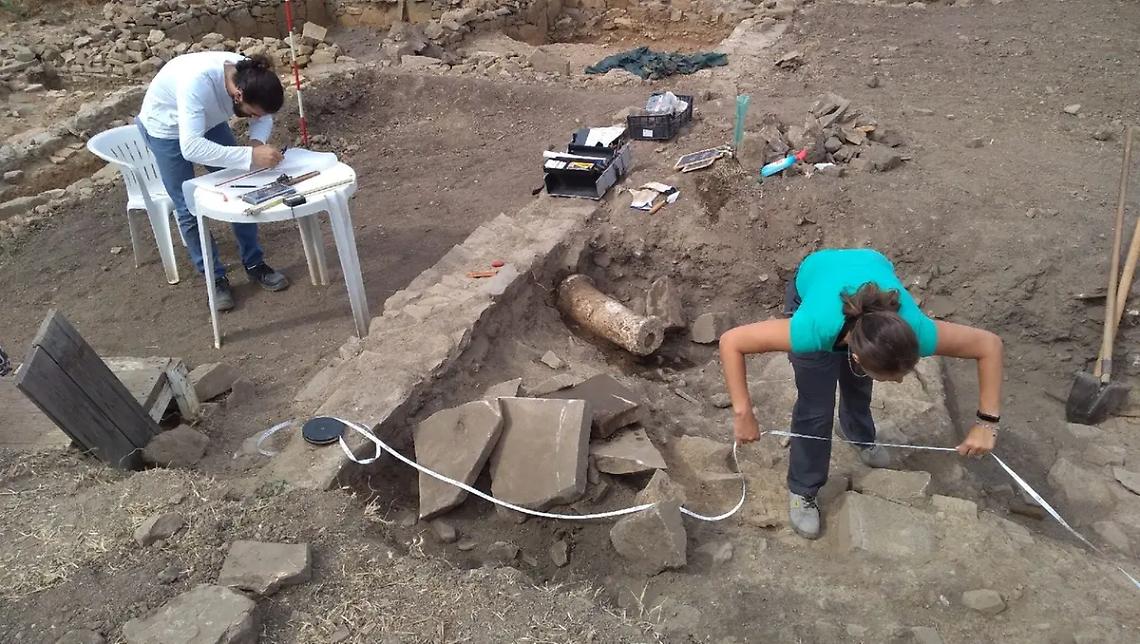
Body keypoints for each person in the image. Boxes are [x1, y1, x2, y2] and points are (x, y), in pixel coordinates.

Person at [719, 248, 1003, 539]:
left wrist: (987, 423)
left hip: (869, 263)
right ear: (854, 355)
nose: (900, 384)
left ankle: (858, 433)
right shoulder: (812, 328)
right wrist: (743, 414)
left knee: (858, 383)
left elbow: (989, 345)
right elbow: (732, 341)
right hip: (815, 276)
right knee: (815, 406)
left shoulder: (918, 330)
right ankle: (803, 489)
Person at [136, 51, 290, 311]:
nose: (256, 119)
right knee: (188, 206)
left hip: (207, 120)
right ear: (238, 96)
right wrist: (250, 154)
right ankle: (215, 278)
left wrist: (256, 142)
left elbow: (264, 114)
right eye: (252, 114)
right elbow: (191, 147)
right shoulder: (197, 83)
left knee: (240, 187)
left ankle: (254, 264)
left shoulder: (251, 76)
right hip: (166, 127)